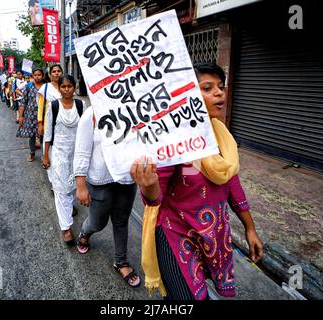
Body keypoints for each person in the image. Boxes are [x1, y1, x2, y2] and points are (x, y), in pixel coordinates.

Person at [130, 63, 263, 300]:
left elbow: (231, 182)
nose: (219, 93)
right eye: (208, 88)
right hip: (176, 235)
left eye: (221, 87)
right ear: (189, 93)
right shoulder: (174, 139)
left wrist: (250, 228)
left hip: (215, 236)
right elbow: (155, 196)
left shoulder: (221, 133)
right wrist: (148, 184)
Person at [74, 103, 141, 288]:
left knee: (121, 221)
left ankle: (121, 261)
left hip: (127, 180)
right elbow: (82, 149)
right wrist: (80, 184)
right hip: (99, 180)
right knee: (98, 222)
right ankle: (85, 232)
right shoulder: (91, 113)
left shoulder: (137, 108)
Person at [42, 75, 80, 244]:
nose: (66, 89)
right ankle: (66, 228)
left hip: (76, 153)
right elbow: (48, 133)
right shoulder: (54, 106)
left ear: (74, 87)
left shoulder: (81, 105)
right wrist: (45, 155)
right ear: (60, 88)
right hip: (58, 154)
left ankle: (69, 207)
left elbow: (85, 131)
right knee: (60, 189)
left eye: (69, 86)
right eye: (63, 86)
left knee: (72, 186)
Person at [17, 68, 44, 162]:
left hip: (43, 116)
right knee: (31, 136)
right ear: (33, 76)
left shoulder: (46, 87)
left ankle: (44, 155)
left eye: (39, 75)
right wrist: (20, 116)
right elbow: (23, 102)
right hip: (30, 116)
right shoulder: (28, 86)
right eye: (35, 75)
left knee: (43, 136)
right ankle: (32, 153)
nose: (37, 76)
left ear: (43, 76)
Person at [37, 64, 63, 150]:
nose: (56, 73)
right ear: (50, 75)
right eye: (54, 72)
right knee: (49, 144)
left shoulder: (66, 87)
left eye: (58, 71)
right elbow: (40, 107)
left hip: (64, 121)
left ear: (62, 73)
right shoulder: (45, 88)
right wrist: (40, 124)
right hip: (48, 122)